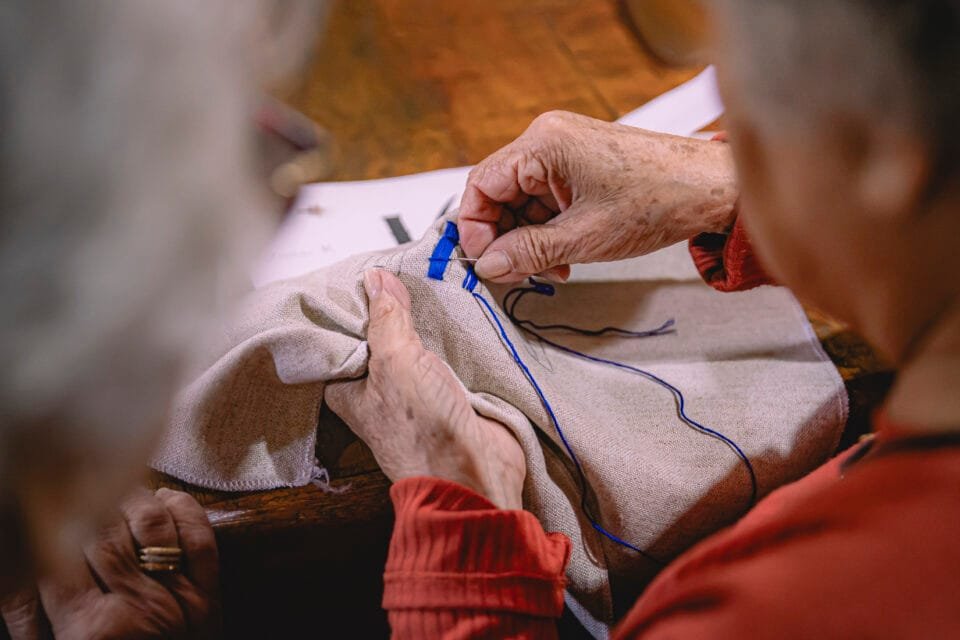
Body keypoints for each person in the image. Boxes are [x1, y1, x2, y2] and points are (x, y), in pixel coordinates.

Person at [324, 0, 960, 636]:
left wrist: (464, 524)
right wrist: (727, 185)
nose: (738, 145)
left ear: (885, 155)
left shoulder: (770, 613)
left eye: (750, 113)